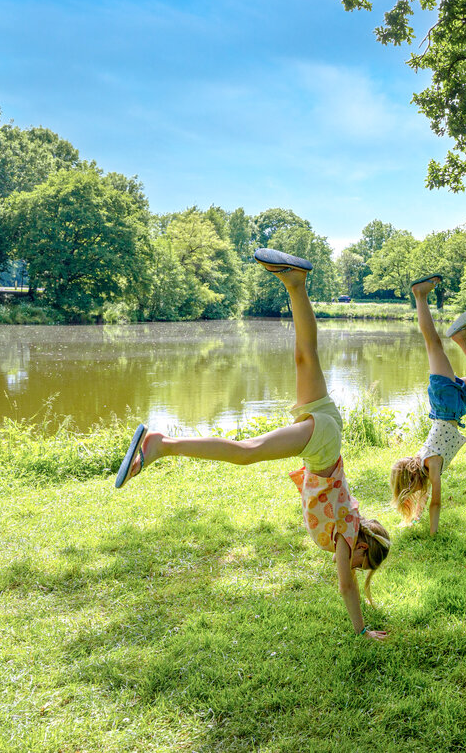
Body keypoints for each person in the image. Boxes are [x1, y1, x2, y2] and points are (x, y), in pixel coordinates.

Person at [114, 249, 390, 641]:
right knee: (248, 452)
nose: (352, 568)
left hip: (329, 433)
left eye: (357, 567)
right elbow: (346, 588)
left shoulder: (352, 521)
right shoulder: (348, 536)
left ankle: (296, 284)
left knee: (304, 356)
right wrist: (362, 631)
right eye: (361, 564)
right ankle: (162, 444)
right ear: (361, 548)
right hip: (322, 447)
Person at [389, 275, 466, 535]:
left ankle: (420, 295)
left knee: (433, 344)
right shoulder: (426, 465)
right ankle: (461, 339)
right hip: (451, 406)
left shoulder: (432, 464)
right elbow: (427, 497)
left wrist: (433, 532)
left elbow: (436, 502)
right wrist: (415, 515)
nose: (420, 493)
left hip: (445, 402)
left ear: (414, 482)